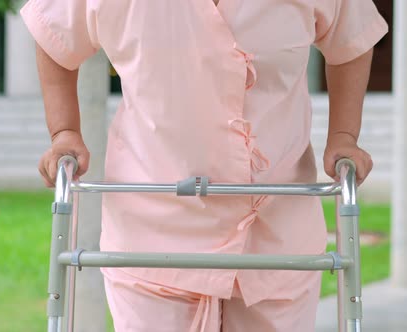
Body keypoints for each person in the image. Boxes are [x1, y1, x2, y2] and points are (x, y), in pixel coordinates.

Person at [21, 0, 387, 331]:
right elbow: (52, 33)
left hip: (277, 220)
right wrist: (65, 131)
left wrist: (343, 135)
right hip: (153, 223)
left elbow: (352, 36)